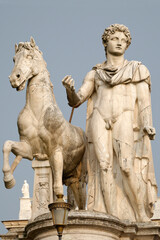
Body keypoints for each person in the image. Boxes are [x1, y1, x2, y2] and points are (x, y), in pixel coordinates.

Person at [62, 24, 157, 222]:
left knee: (126, 166)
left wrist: (148, 123)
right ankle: (111, 217)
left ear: (128, 44)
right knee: (103, 166)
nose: (120, 42)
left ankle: (140, 213)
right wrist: (69, 89)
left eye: (124, 39)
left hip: (124, 117)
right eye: (115, 38)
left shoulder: (137, 69)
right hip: (99, 117)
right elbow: (77, 100)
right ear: (106, 42)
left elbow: (144, 102)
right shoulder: (95, 73)